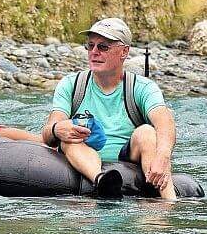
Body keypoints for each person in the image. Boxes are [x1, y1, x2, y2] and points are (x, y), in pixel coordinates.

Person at [41, 18, 178, 201]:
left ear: (124, 52)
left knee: (147, 132)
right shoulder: (71, 85)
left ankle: (169, 204)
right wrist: (58, 129)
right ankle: (102, 181)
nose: (94, 52)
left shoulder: (143, 88)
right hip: (84, 154)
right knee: (68, 135)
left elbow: (164, 121)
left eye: (103, 47)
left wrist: (163, 155)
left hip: (128, 155)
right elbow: (48, 131)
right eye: (90, 46)